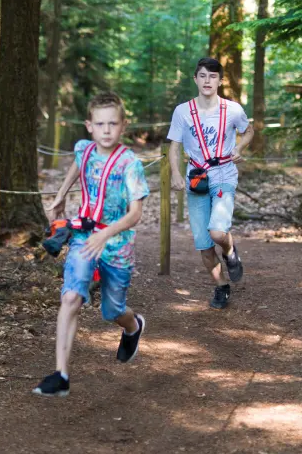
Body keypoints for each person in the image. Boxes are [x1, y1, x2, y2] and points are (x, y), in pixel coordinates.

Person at [33, 91, 150, 397]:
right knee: (71, 297)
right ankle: (61, 375)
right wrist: (60, 195)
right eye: (100, 124)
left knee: (112, 311)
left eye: (113, 123)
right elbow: (77, 164)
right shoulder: (84, 149)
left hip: (117, 244)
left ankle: (133, 326)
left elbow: (136, 213)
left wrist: (106, 233)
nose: (107, 130)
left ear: (123, 126)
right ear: (89, 126)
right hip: (84, 236)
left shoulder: (130, 164)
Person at [167, 57, 254, 309]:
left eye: (212, 76)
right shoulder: (182, 111)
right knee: (204, 245)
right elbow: (174, 146)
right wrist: (175, 173)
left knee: (217, 232)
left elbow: (249, 131)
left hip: (224, 173)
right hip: (196, 176)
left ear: (220, 81)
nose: (207, 80)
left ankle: (230, 251)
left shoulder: (232, 109)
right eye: (203, 76)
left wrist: (240, 146)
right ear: (195, 79)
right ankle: (221, 287)